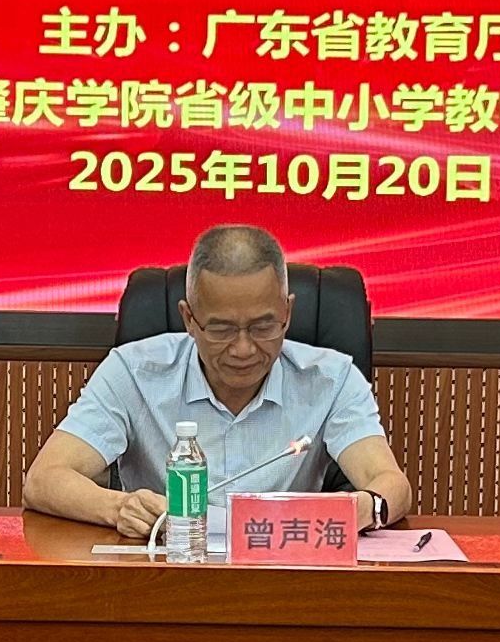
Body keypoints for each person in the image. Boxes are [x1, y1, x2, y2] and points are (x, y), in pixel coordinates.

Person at [23, 223, 415, 539]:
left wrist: (364, 507)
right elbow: (44, 480)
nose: (243, 349)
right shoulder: (133, 371)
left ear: (287, 313)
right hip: (166, 571)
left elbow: (390, 483)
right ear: (189, 319)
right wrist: (119, 508)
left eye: (263, 326)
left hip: (282, 573)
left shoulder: (331, 378)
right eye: (222, 329)